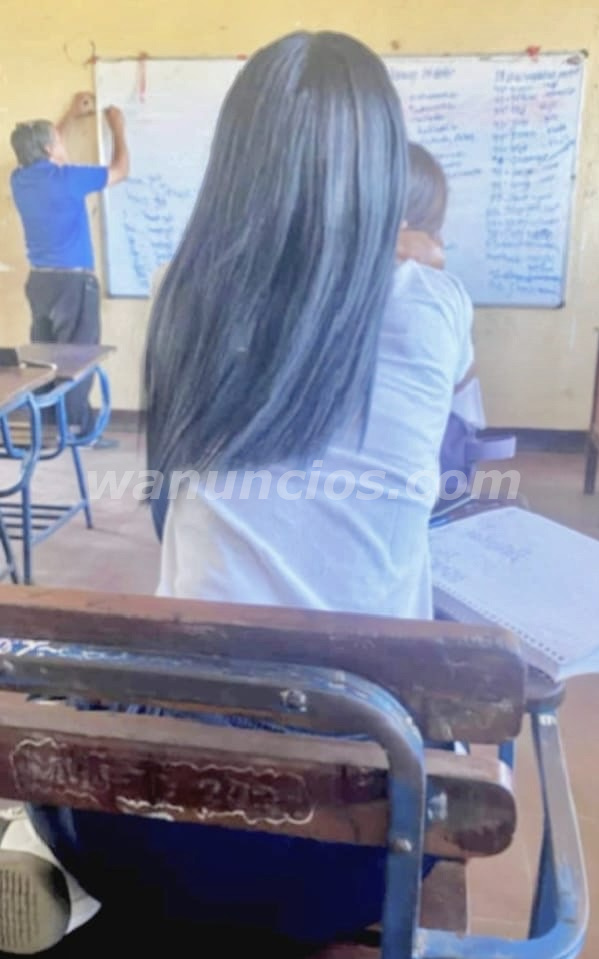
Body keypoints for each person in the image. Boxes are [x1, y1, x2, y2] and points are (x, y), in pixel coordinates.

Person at [1, 32, 475, 954]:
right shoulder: (431, 303)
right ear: (384, 172)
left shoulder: (183, 292)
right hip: (360, 852)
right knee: (435, 736)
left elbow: (172, 502)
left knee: (90, 717)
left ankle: (40, 859)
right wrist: (407, 252)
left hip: (151, 828)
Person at [10, 94, 129, 445]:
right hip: (73, 284)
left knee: (45, 358)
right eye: (58, 141)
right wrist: (118, 129)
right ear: (50, 148)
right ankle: (79, 432)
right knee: (78, 357)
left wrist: (69, 115)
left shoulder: (20, 179)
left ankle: (50, 427)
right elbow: (121, 170)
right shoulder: (68, 179)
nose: (63, 144)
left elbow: (45, 148)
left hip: (40, 283)